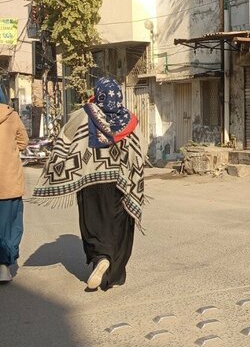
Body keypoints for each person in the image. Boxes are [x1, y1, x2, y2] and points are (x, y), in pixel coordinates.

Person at [34, 78, 145, 291]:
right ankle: (114, 272)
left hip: (90, 182)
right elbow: (140, 151)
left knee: (93, 222)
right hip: (119, 184)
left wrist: (56, 166)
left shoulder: (83, 115)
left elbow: (64, 141)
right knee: (120, 226)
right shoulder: (130, 120)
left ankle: (100, 257)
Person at [0, 87, 29, 283]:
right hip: (8, 181)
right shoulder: (12, 115)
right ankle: (3, 267)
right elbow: (23, 142)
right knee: (10, 225)